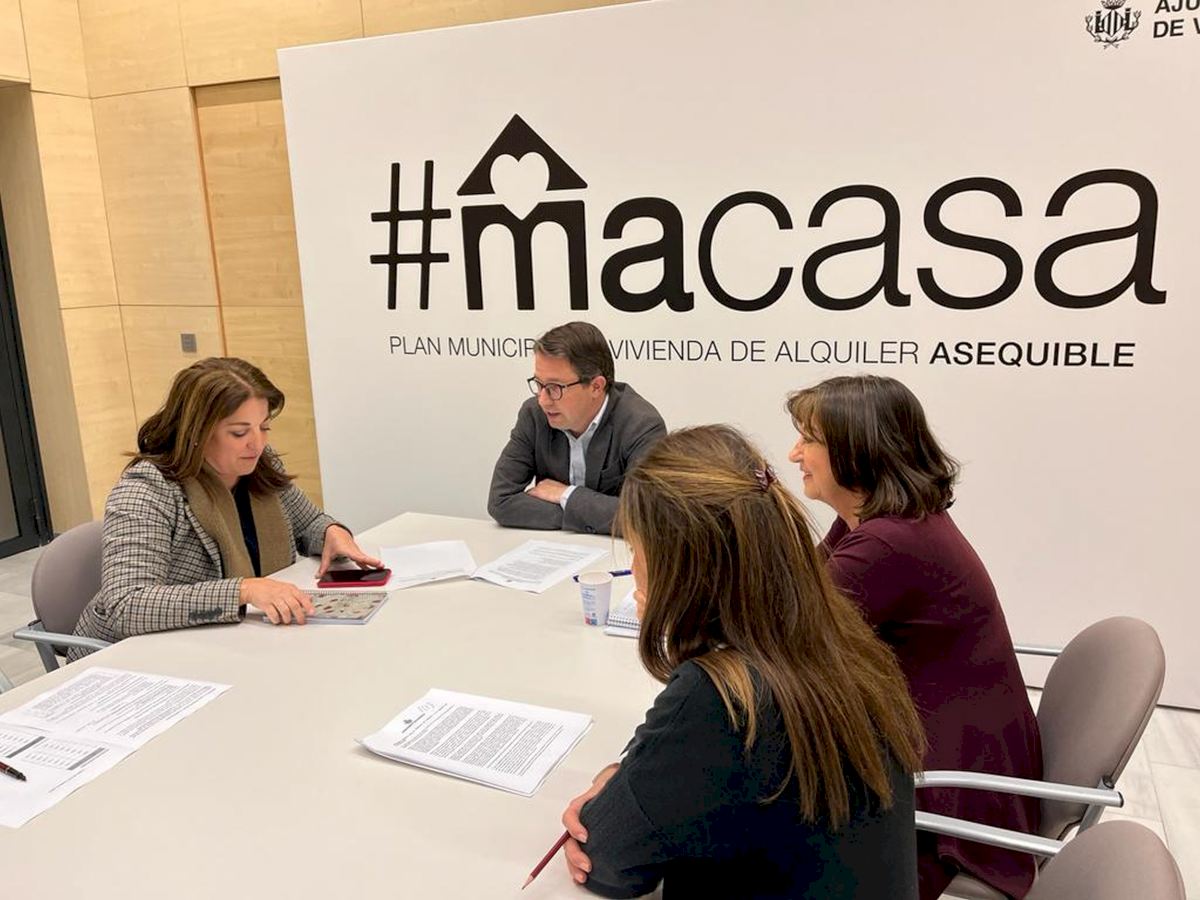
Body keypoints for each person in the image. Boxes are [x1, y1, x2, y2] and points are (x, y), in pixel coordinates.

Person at [560, 425, 925, 899]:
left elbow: (609, 864)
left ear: (678, 564)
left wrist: (617, 787)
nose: (634, 565)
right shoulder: (839, 634)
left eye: (636, 547)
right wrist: (631, 776)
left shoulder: (721, 697)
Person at [786, 375, 1043, 900]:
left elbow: (781, 638)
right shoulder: (881, 520)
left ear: (856, 450)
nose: (794, 454)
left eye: (808, 439)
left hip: (947, 794)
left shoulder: (888, 543)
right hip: (952, 749)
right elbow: (796, 595)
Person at [70, 357, 380, 658]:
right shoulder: (147, 490)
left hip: (229, 643)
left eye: (264, 427)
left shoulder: (259, 465)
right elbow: (126, 605)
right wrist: (243, 591)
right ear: (197, 432)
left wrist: (332, 533)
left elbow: (309, 523)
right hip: (133, 659)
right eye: (239, 432)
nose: (257, 444)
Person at [487, 321, 666, 535]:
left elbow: (646, 517)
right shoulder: (533, 415)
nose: (543, 400)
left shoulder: (641, 425)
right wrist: (589, 514)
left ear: (596, 386)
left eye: (554, 388)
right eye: (539, 384)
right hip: (555, 549)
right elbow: (501, 501)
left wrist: (566, 495)